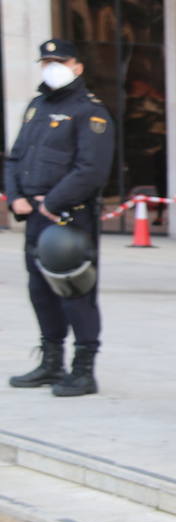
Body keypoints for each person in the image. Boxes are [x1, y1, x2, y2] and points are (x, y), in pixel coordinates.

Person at [5, 38, 114, 397]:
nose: (52, 66)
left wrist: (51, 202)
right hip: (36, 218)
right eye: (46, 61)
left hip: (69, 218)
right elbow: (15, 157)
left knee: (75, 291)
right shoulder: (37, 106)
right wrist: (16, 198)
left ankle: (84, 371)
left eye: (60, 60)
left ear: (78, 66)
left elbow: (91, 171)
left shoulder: (90, 112)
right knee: (40, 291)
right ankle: (52, 363)